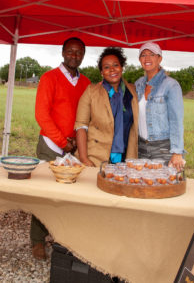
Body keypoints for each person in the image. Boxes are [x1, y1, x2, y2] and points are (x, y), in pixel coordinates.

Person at [33, 37, 90, 259]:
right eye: (70, 51)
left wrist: (77, 143)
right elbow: (42, 115)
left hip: (74, 148)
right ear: (63, 52)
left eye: (78, 52)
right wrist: (62, 141)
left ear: (83, 55)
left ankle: (63, 239)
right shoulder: (49, 78)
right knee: (45, 195)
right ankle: (38, 240)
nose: (74, 56)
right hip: (51, 145)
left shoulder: (85, 82)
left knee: (69, 197)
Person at [75, 47, 138, 167]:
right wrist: (84, 158)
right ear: (101, 72)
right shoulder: (91, 92)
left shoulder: (132, 91)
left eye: (116, 65)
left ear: (122, 67)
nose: (112, 70)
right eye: (106, 67)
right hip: (95, 158)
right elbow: (81, 126)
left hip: (126, 159)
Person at [135, 42, 186, 170]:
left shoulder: (171, 85)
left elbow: (176, 120)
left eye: (152, 54)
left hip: (162, 148)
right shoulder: (138, 85)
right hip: (141, 147)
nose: (147, 58)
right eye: (143, 55)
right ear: (139, 59)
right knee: (142, 185)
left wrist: (177, 152)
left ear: (159, 58)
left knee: (161, 186)